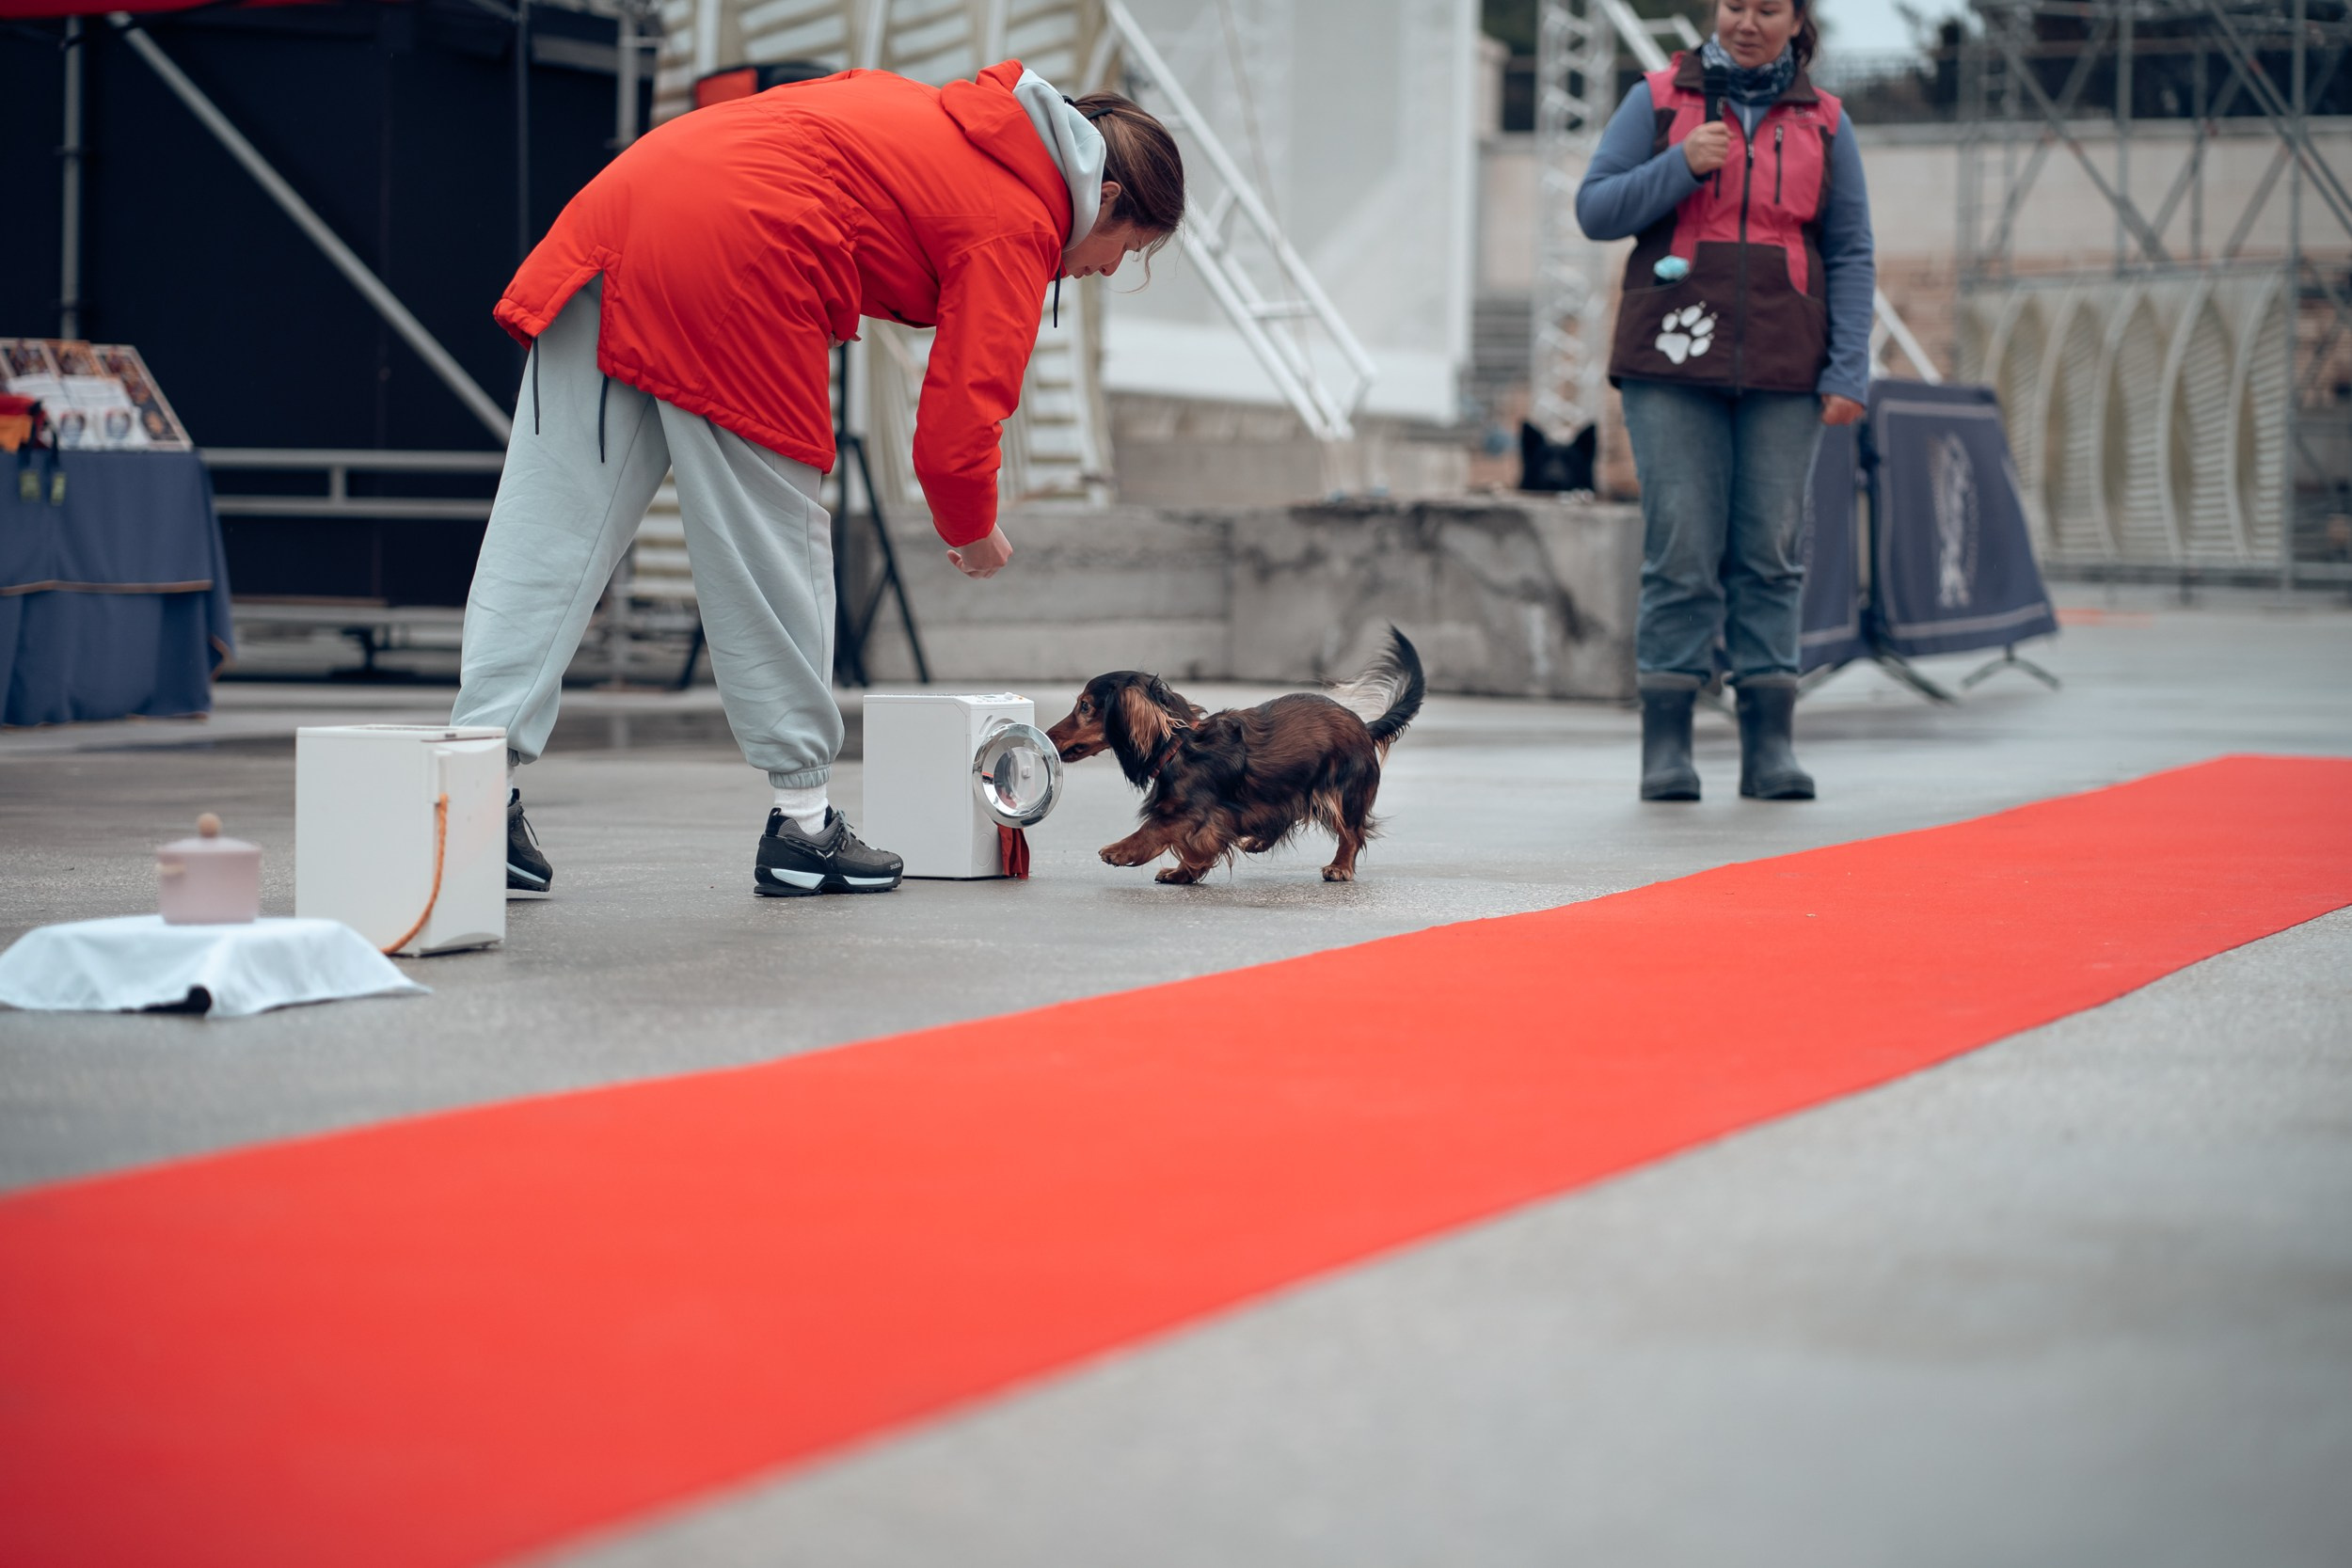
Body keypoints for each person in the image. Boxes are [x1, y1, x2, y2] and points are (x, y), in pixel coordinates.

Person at [451, 62, 1184, 896]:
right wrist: (971, 528)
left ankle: (469, 796)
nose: (1111, 270)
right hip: (745, 255)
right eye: (1130, 248)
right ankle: (804, 827)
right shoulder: (1020, 214)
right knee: (772, 548)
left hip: (621, 208)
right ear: (1110, 196)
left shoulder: (946, 116)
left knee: (550, 528)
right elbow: (958, 423)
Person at [1575, 0, 1873, 801]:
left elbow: (1849, 252)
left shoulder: (1828, 121)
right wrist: (1681, 165)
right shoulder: (1659, 96)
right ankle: (1665, 748)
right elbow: (1595, 209)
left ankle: (1769, 744)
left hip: (1786, 360)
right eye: (1734, 4)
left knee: (1771, 553)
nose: (1748, 21)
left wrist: (1848, 369)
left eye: (1768, 8)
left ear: (1795, 18)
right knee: (1681, 549)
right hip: (1670, 356)